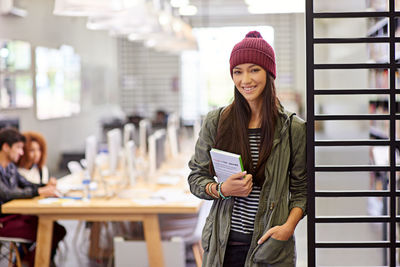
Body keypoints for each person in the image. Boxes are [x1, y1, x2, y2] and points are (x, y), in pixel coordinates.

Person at [188, 31, 307, 267]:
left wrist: (287, 227)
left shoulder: (292, 128)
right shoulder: (216, 121)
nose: (245, 80)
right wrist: (222, 189)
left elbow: (302, 190)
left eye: (254, 69)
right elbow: (195, 178)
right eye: (237, 71)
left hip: (269, 245)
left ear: (269, 73)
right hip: (224, 245)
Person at [0, 128, 66, 267]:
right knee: (48, 230)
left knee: (57, 229)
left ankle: (30, 262)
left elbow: (26, 184)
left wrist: (46, 186)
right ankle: (31, 263)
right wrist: (40, 191)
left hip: (15, 216)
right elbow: (6, 194)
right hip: (3, 222)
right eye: (18, 148)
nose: (21, 153)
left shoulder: (10, 167)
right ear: (6, 147)